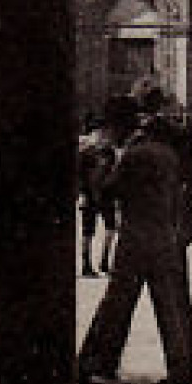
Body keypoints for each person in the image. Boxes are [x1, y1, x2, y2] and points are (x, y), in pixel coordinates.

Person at [77, 95, 192, 384]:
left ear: (118, 127)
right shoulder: (166, 152)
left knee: (115, 305)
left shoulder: (132, 155)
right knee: (170, 308)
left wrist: (104, 163)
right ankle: (180, 376)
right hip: (166, 239)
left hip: (135, 240)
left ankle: (89, 365)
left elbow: (105, 191)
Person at [78, 113, 118, 277]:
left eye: (104, 132)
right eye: (100, 132)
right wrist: (81, 194)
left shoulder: (109, 151)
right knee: (88, 231)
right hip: (90, 194)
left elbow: (113, 173)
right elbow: (80, 175)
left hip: (105, 194)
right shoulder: (86, 152)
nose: (102, 135)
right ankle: (86, 264)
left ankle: (104, 262)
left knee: (110, 228)